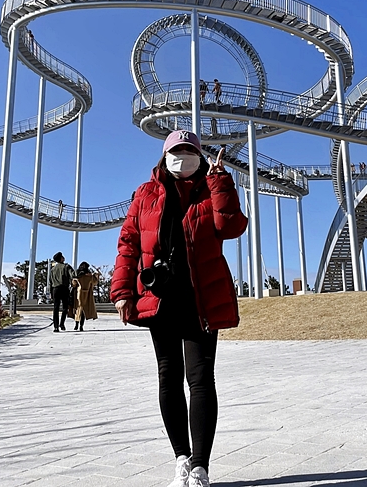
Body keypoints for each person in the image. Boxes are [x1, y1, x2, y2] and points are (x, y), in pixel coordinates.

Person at [112, 129, 247, 487]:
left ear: (200, 157)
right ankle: (181, 460)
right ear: (165, 154)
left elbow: (230, 225)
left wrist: (220, 182)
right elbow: (128, 242)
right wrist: (122, 290)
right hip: (161, 297)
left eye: (190, 151)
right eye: (177, 150)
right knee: (168, 376)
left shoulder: (211, 187)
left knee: (201, 378)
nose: (182, 156)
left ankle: (201, 467)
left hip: (201, 295)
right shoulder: (145, 194)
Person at [49, 252, 74, 332]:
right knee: (65, 308)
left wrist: (51, 293)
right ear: (61, 259)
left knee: (55, 308)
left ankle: (56, 326)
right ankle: (62, 323)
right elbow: (73, 275)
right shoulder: (66, 266)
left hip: (55, 289)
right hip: (64, 288)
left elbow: (50, 282)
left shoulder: (52, 269)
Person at [72, 262, 100, 331]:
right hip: (87, 294)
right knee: (84, 310)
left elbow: (73, 284)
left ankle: (76, 324)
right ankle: (81, 326)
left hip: (79, 294)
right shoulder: (89, 276)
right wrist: (96, 275)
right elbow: (95, 282)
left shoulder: (78, 275)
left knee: (78, 309)